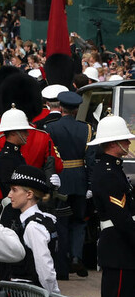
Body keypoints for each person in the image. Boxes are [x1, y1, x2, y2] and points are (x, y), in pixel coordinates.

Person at [44, 89, 94, 278]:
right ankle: (76, 257)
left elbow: (50, 157)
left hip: (61, 177)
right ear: (75, 109)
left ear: (61, 107)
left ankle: (63, 262)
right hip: (80, 177)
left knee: (62, 222)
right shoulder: (86, 128)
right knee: (79, 221)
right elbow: (90, 158)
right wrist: (89, 184)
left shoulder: (51, 128)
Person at [89, 114, 135, 297]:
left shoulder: (113, 169)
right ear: (114, 143)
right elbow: (121, 217)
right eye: (125, 140)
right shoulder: (108, 173)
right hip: (119, 247)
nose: (128, 142)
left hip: (121, 247)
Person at [5, 165, 59, 293]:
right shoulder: (34, 221)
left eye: (14, 190)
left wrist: (53, 296)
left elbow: (45, 269)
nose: (9, 195)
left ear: (29, 194)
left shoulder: (33, 227)